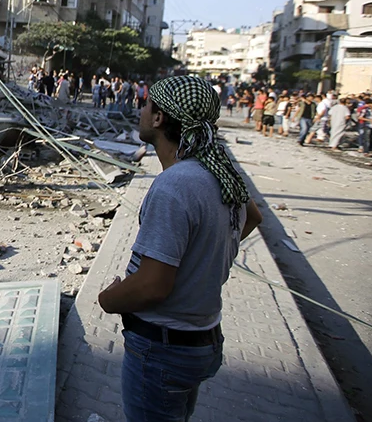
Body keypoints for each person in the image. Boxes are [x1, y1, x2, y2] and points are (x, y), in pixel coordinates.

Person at [97, 76, 261, 421]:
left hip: (163, 350)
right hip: (201, 340)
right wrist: (205, 261)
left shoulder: (174, 185)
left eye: (146, 105)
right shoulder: (217, 171)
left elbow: (153, 286)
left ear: (158, 118)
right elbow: (252, 216)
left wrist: (107, 300)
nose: (140, 110)